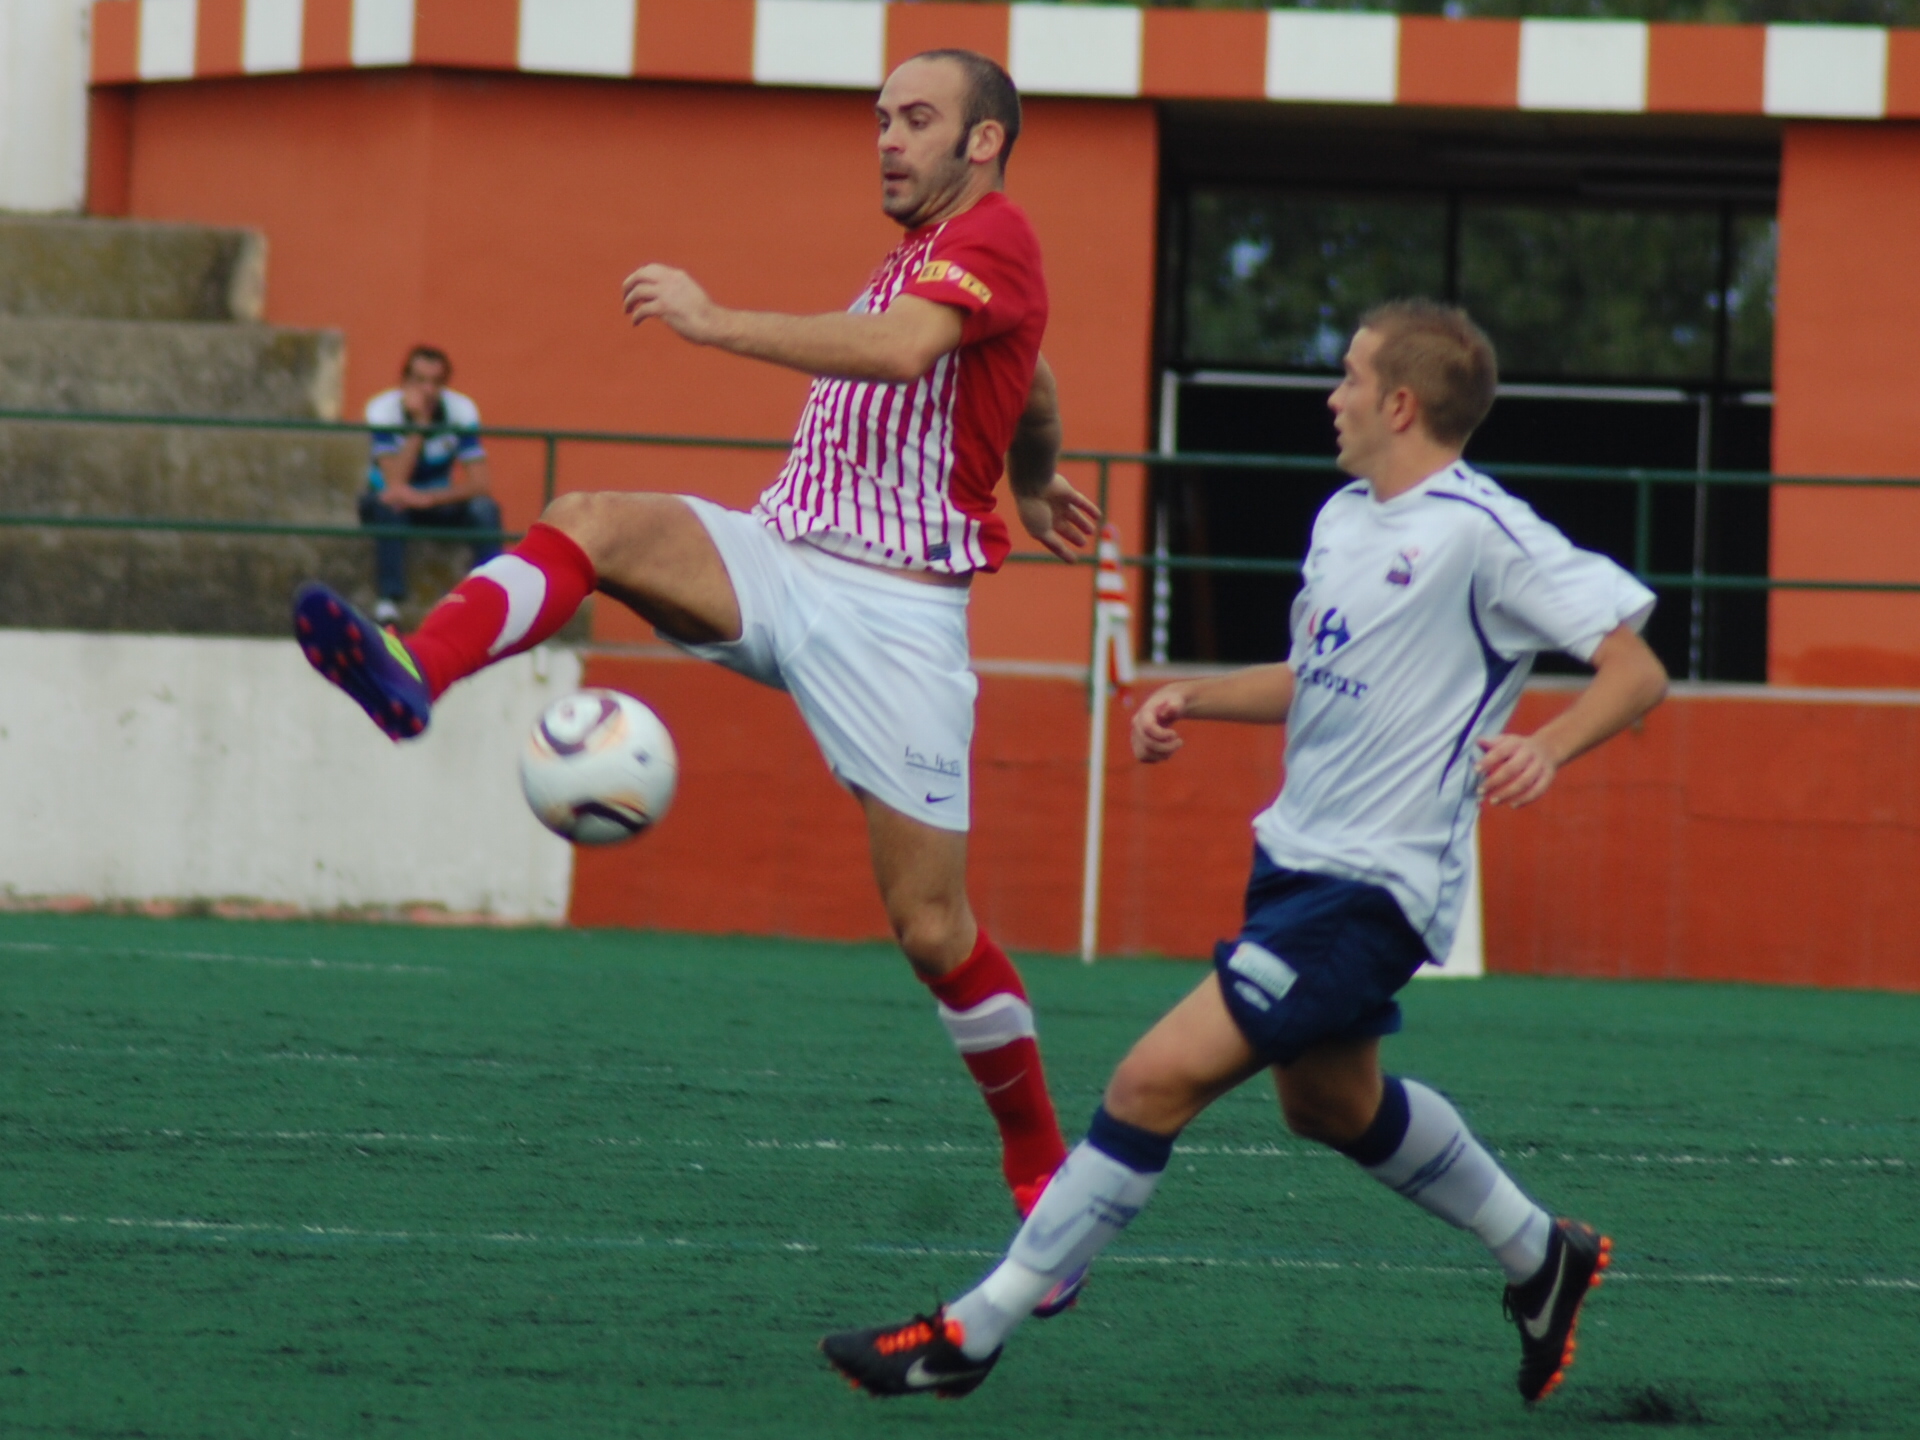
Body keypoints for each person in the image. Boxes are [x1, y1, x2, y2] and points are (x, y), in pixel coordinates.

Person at [293, 50, 1100, 1294]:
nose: (887, 137)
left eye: (917, 118)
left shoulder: (994, 233)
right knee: (594, 518)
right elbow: (1027, 373)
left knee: (933, 930)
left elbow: (904, 354)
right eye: (881, 117)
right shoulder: (933, 249)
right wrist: (1035, 477)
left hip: (895, 619)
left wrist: (717, 321)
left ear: (984, 142)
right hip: (780, 555)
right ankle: (416, 668)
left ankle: (1041, 1164)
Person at [821, 300, 1671, 1404]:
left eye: (1352, 377)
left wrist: (1547, 747)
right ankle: (1540, 1255)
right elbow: (1317, 674)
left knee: (1148, 1080)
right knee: (1328, 1105)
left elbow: (1635, 669)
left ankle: (968, 1336)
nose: (1334, 395)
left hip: (1375, 889)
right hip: (1297, 870)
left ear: (1402, 404)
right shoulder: (1341, 521)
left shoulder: (1481, 532)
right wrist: (1195, 698)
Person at [357, 345, 502, 626]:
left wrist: (430, 498)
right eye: (419, 380)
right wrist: (419, 428)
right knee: (388, 505)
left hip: (433, 501)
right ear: (404, 382)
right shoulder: (382, 410)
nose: (427, 390)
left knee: (484, 510)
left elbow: (481, 483)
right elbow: (394, 484)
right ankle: (389, 601)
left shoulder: (460, 410)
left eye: (436, 382)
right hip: (389, 502)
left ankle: (492, 595)